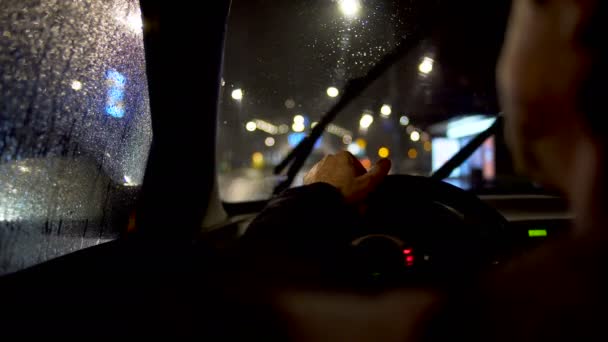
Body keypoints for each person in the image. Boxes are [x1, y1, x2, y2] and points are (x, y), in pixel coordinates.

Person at [245, 0, 608, 339]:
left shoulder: (502, 316)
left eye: (523, 9)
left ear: (575, 17)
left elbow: (233, 308)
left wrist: (314, 200)